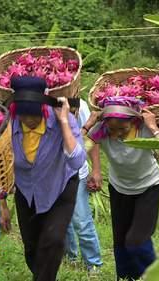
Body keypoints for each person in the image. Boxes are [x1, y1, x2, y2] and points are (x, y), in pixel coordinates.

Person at [82, 96, 159, 281]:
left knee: (136, 241)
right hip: (119, 189)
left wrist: (153, 127)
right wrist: (88, 125)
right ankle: (126, 278)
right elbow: (75, 155)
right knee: (120, 243)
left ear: (133, 121)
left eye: (122, 129)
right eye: (112, 129)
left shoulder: (143, 130)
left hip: (148, 188)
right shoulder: (101, 131)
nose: (117, 133)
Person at [0, 76, 86, 281]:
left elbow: (77, 161)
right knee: (32, 247)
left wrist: (64, 121)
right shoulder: (8, 125)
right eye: (23, 115)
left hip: (59, 187)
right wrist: (2, 202)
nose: (29, 120)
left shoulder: (60, 121)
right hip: (27, 189)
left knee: (53, 240)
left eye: (34, 114)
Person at [65, 99, 103, 274]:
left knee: (81, 220)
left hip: (77, 174)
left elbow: (91, 139)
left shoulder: (80, 105)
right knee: (63, 222)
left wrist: (96, 169)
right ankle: (69, 259)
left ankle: (93, 264)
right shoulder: (44, 105)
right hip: (54, 178)